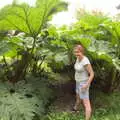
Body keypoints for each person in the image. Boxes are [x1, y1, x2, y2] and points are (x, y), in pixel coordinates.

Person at [73, 44, 94, 120]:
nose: (76, 54)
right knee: (78, 97)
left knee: (86, 103)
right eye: (75, 52)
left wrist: (86, 85)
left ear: (82, 52)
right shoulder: (78, 58)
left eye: (78, 52)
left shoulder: (85, 61)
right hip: (78, 82)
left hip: (83, 84)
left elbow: (92, 74)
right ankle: (75, 108)